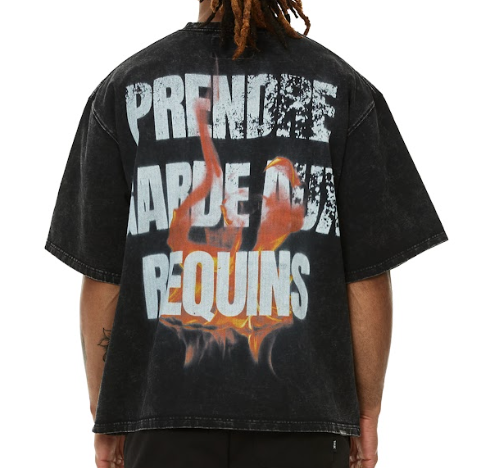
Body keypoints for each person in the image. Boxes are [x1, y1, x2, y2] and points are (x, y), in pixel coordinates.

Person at [44, 1, 449, 467]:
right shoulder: (343, 90)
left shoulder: (123, 90)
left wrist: (106, 412)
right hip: (304, 419)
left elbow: (103, 277)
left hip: (163, 417)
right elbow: (366, 276)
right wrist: (366, 413)